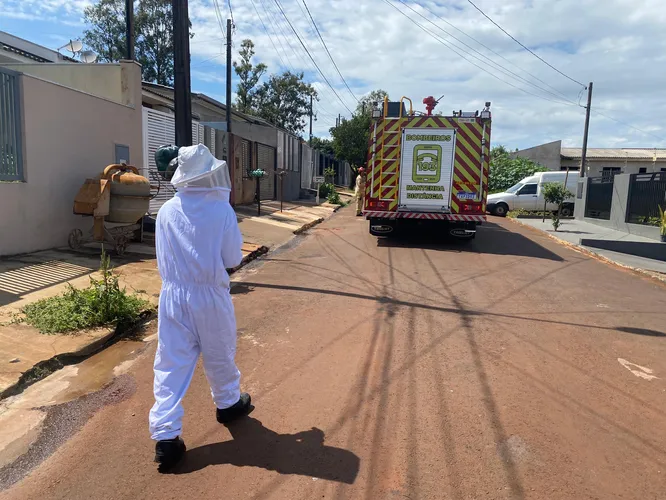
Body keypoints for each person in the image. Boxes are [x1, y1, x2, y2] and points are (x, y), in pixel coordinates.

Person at [149, 144, 252, 470]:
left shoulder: (165, 211)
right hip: (209, 296)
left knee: (170, 363)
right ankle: (228, 404)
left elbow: (161, 258)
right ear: (211, 174)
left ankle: (166, 439)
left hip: (173, 298)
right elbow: (233, 258)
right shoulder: (222, 211)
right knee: (219, 352)